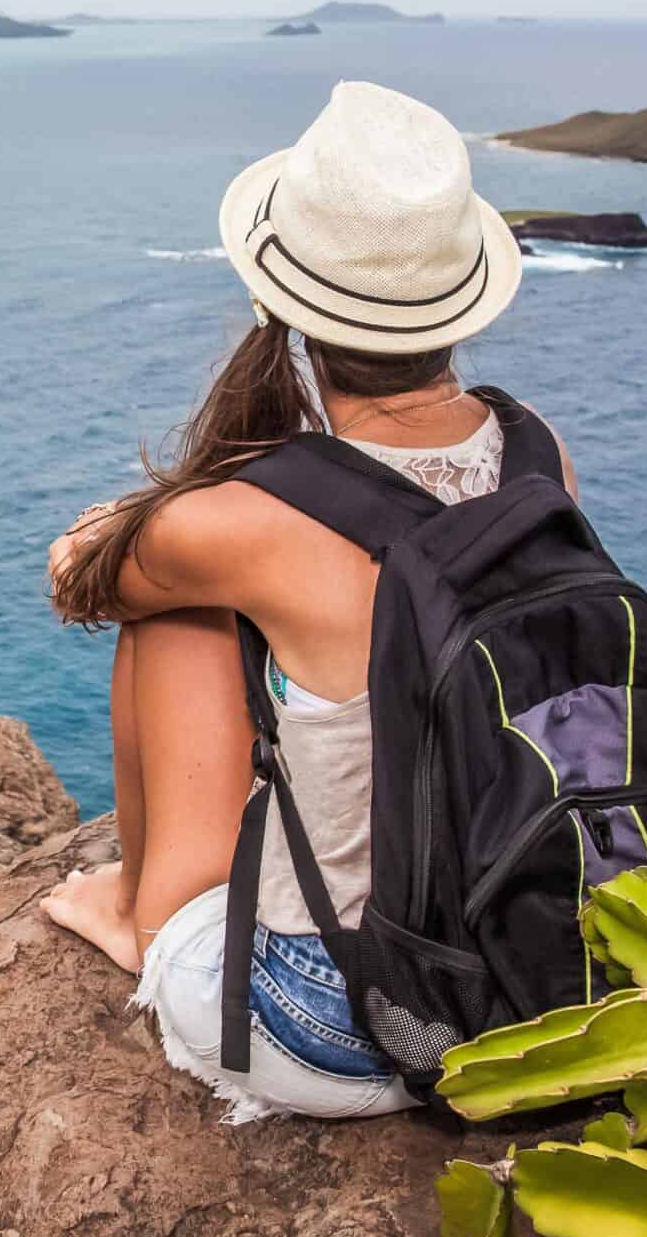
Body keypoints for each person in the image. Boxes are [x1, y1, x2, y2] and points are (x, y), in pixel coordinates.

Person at [41, 80, 569, 1122]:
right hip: (519, 985)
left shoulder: (244, 525)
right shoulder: (537, 454)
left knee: (175, 608)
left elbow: (78, 578)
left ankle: (142, 914)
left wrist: (162, 525)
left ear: (285, 302)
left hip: (338, 1027)